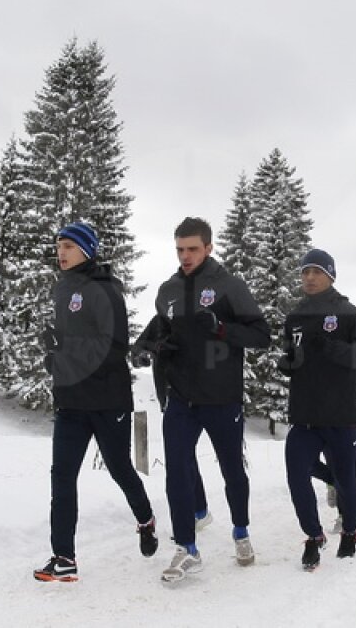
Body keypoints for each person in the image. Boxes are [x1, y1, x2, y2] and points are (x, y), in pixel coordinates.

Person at [146, 217, 270, 586]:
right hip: (181, 397)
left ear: (209, 248)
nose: (185, 256)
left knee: (232, 469)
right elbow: (159, 331)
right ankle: (187, 546)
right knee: (177, 471)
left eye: (193, 249)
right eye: (180, 249)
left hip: (222, 397)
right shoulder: (167, 290)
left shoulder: (230, 286)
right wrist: (153, 346)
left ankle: (241, 531)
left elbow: (261, 335)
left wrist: (220, 328)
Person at [33, 222, 158, 583]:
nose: (61, 251)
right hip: (71, 400)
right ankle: (64, 557)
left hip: (107, 399)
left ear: (87, 250)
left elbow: (112, 347)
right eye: (58, 245)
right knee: (62, 477)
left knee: (120, 468)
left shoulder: (106, 291)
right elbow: (72, 342)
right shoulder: (62, 289)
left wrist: (62, 353)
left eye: (69, 246)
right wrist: (55, 353)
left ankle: (146, 519)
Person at [278, 249, 356, 569]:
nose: (309, 277)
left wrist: (334, 348)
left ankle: (350, 532)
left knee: (346, 480)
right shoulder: (295, 316)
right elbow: (292, 352)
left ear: (330, 275)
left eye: (316, 271)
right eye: (304, 272)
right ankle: (313, 536)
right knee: (297, 476)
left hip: (341, 415)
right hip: (304, 414)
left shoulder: (347, 312)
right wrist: (289, 363)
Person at [132, 316, 213, 532]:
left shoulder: (202, 317)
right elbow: (139, 346)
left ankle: (198, 512)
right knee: (183, 455)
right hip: (168, 396)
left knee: (182, 455)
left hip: (199, 397)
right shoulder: (160, 321)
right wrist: (143, 354)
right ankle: (199, 511)